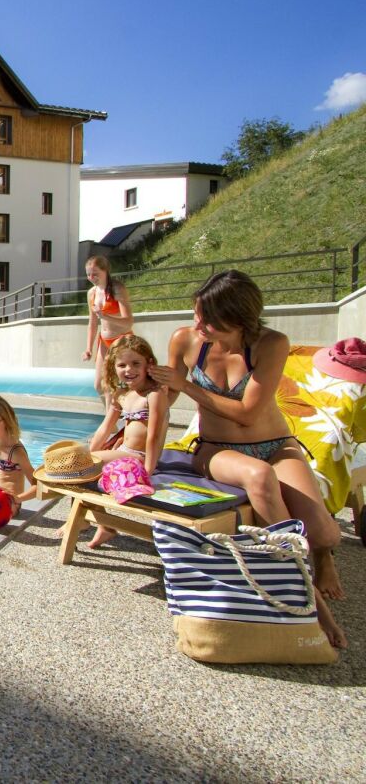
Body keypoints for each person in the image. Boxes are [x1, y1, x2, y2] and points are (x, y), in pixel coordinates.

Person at [148, 269, 346, 649]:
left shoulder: (271, 344)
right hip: (215, 449)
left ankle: (324, 558)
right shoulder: (186, 341)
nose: (197, 325)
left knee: (324, 533)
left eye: (207, 319)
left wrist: (185, 385)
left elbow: (248, 414)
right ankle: (310, 598)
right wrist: (145, 388)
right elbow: (166, 398)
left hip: (275, 444)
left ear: (237, 318)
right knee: (258, 477)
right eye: (196, 314)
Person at [81, 334, 171, 547]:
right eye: (122, 365)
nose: (129, 370)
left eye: (135, 363)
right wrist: (90, 453)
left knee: (80, 468)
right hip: (124, 452)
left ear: (149, 363)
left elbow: (154, 435)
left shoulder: (154, 394)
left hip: (140, 458)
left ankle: (94, 524)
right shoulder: (122, 394)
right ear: (114, 367)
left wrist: (148, 471)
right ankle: (103, 526)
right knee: (77, 467)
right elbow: (105, 428)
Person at [82, 255, 134, 395]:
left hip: (122, 340)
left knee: (121, 385)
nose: (91, 278)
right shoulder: (91, 293)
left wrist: (105, 316)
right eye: (88, 274)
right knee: (99, 385)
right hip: (104, 342)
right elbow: (93, 322)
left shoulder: (117, 289)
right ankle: (113, 409)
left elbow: (128, 322)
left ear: (105, 271)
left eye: (95, 274)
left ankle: (123, 408)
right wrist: (89, 348)